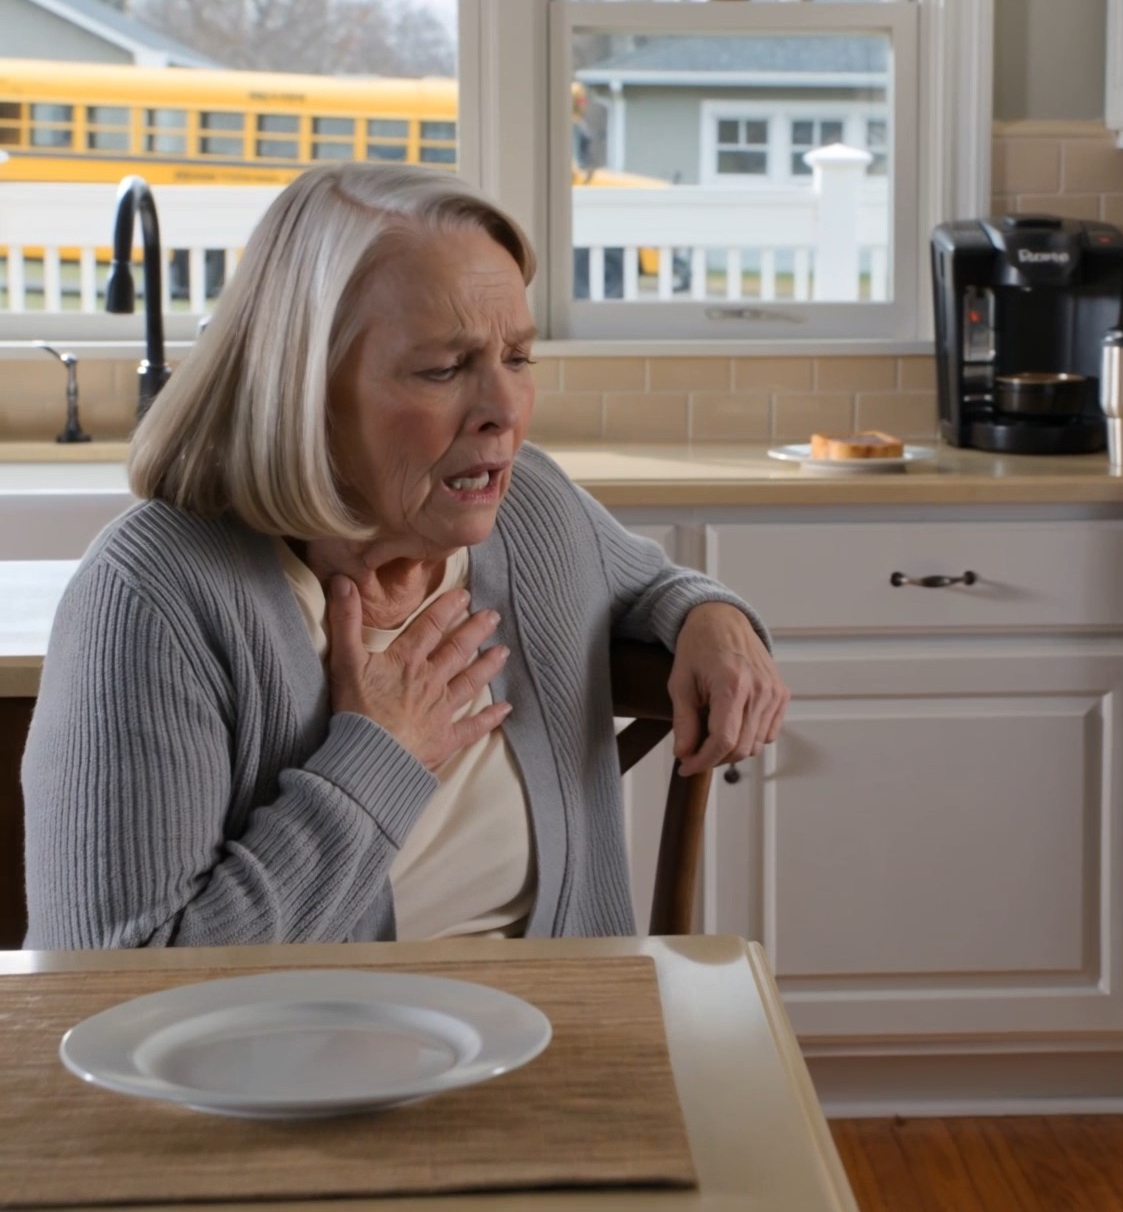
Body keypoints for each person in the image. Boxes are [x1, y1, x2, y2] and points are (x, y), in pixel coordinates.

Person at [22, 163, 788, 950]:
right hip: (302, 1068)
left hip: (565, 1037)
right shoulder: (155, 596)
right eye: (445, 368)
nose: (504, 412)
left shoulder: (533, 510)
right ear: (306, 390)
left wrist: (714, 618)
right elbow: (115, 989)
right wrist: (378, 758)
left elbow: (658, 585)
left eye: (518, 359)